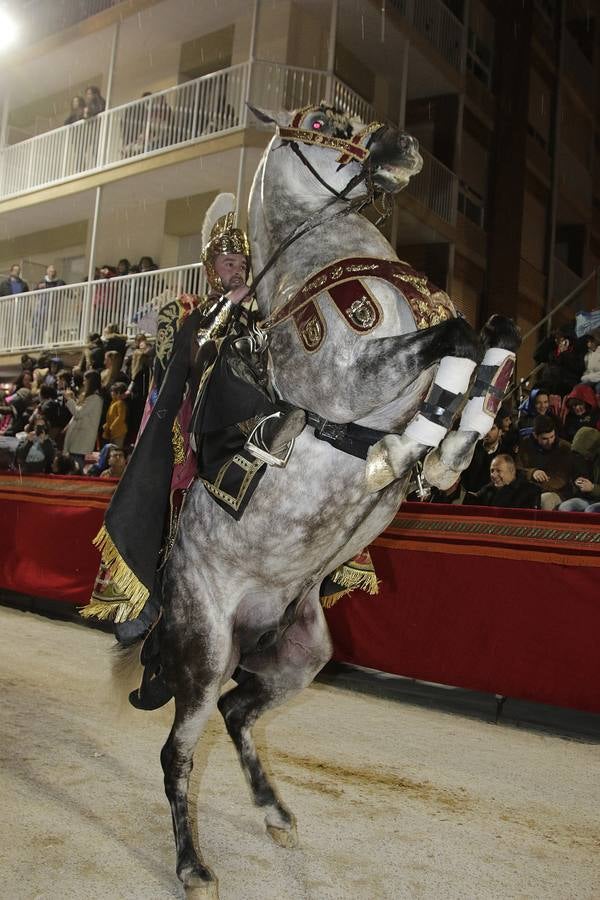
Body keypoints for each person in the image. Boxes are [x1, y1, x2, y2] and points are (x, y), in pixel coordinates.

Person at [84, 204, 305, 709]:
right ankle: (157, 630)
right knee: (178, 535)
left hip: (269, 433)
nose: (236, 266)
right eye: (226, 260)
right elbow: (177, 377)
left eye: (241, 259)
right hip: (209, 436)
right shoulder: (195, 315)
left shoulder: (269, 311)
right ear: (211, 270)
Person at [515, 415, 572, 510]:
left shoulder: (564, 448)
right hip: (528, 488)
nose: (550, 441)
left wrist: (536, 488)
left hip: (557, 492)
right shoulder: (526, 444)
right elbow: (517, 469)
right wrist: (532, 472)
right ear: (535, 435)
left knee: (545, 500)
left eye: (552, 436)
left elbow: (561, 480)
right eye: (545, 439)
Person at [63, 370, 104, 472]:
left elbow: (79, 413)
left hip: (81, 441)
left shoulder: (95, 399)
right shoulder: (90, 398)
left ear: (91, 382)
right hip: (78, 440)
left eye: (86, 380)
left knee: (76, 469)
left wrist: (69, 400)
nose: (84, 382)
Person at [465, 454, 540, 509]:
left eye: (498, 471)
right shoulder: (487, 490)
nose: (493, 475)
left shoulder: (530, 491)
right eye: (492, 471)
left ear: (512, 471)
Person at [558, 427, 600, 513]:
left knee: (591, 510)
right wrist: (577, 484)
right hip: (586, 499)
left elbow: (592, 488)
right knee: (565, 507)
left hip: (597, 499)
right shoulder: (578, 457)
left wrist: (592, 488)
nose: (581, 457)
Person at [461, 421, 504, 493]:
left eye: (492, 429)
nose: (487, 432)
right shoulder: (473, 445)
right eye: (486, 428)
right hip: (462, 491)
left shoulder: (503, 454)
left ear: (500, 432)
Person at [102, 382, 128, 448]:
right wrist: (107, 424)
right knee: (113, 448)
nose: (111, 393)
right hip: (113, 431)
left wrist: (112, 426)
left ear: (118, 393)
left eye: (113, 391)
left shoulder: (120, 403)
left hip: (119, 431)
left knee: (117, 447)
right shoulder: (113, 402)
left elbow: (121, 416)